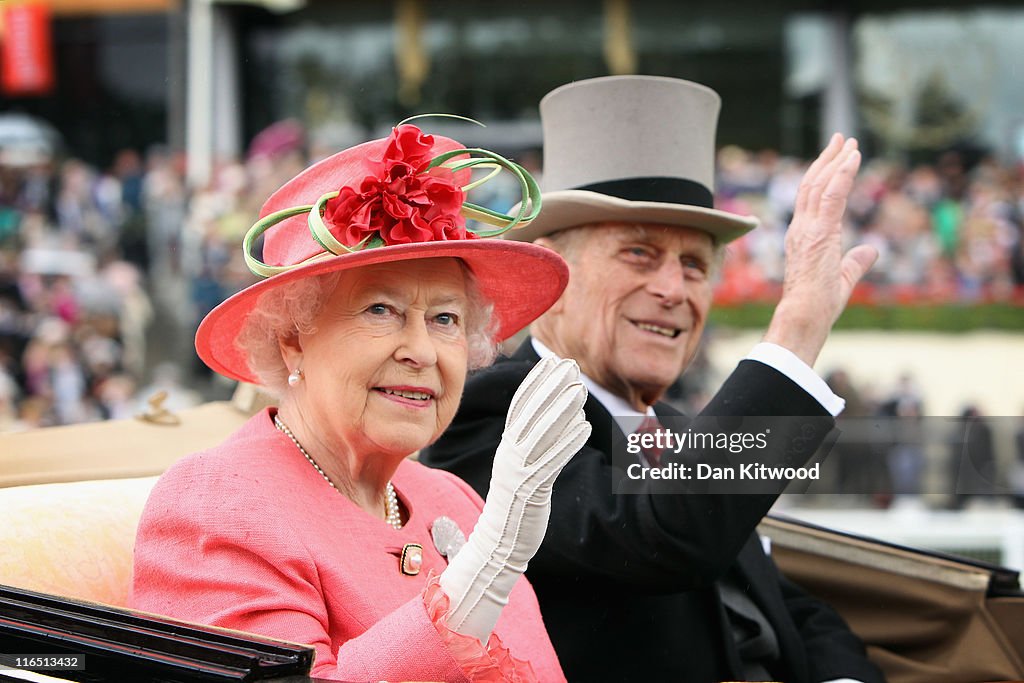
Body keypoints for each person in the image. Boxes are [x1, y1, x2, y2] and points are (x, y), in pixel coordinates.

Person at [422, 76, 885, 682]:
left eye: (694, 265)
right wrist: (798, 328)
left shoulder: (674, 429)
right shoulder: (495, 410)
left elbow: (788, 608)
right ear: (552, 279)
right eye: (639, 254)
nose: (673, 290)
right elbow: (664, 538)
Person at [131, 121, 593, 682]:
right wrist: (481, 573)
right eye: (381, 310)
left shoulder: (452, 497)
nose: (422, 351)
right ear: (293, 337)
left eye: (445, 319)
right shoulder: (216, 501)